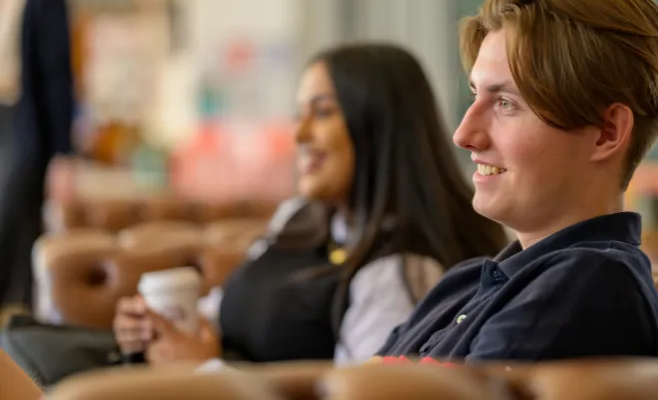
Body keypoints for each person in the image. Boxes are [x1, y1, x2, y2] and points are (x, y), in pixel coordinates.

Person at [113, 44, 509, 366]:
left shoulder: (398, 269)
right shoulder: (301, 217)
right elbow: (225, 312)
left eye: (321, 113)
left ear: (375, 128)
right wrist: (160, 324)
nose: (299, 133)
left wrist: (202, 372)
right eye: (299, 114)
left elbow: (352, 394)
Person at [376, 0, 658, 363]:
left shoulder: (590, 283)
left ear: (606, 132)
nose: (464, 134)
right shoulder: (466, 280)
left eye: (505, 103)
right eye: (475, 95)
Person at [0, 0, 76, 309]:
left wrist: (63, 153)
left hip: (26, 125)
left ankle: (16, 317)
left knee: (15, 215)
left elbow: (59, 73)